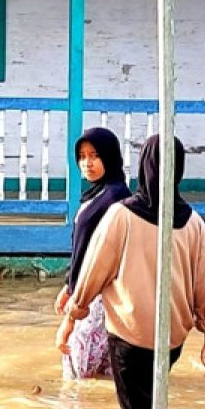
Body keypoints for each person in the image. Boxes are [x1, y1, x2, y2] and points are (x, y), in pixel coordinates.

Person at [56, 135, 205, 409]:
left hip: (130, 338)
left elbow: (94, 272)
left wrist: (71, 318)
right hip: (172, 340)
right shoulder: (196, 224)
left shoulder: (121, 215)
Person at [55, 127, 131, 379]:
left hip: (100, 293)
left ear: (109, 157)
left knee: (81, 369)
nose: (87, 163)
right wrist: (69, 287)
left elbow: (104, 252)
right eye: (82, 156)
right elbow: (81, 247)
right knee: (89, 368)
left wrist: (77, 294)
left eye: (94, 156)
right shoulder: (96, 193)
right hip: (84, 290)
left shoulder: (117, 195)